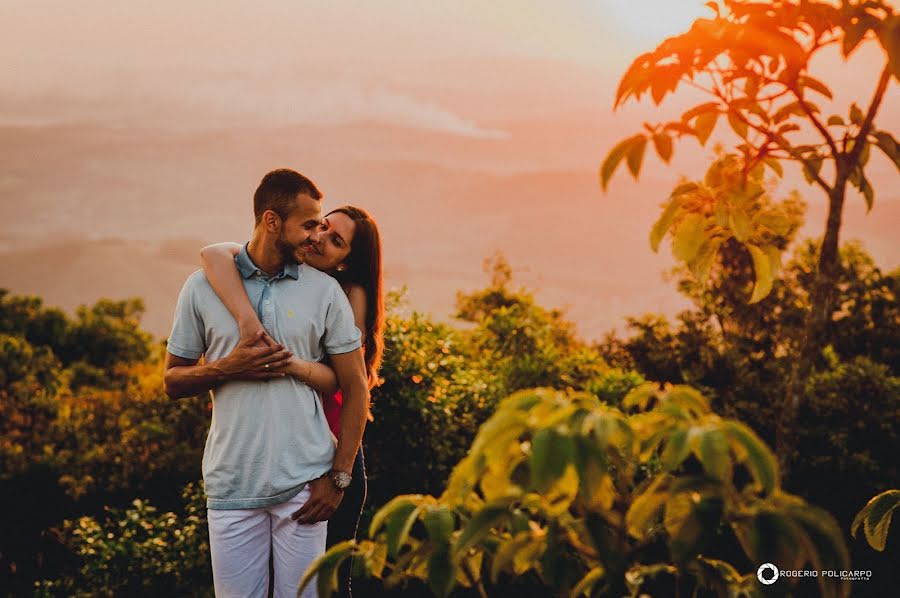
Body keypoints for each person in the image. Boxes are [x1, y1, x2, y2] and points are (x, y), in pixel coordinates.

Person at [164, 169, 370, 598]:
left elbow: (355, 387)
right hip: (232, 487)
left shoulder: (327, 292)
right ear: (273, 222)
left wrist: (338, 478)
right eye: (310, 224)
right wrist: (228, 367)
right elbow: (173, 380)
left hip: (305, 489)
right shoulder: (202, 286)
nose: (316, 235)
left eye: (325, 230)